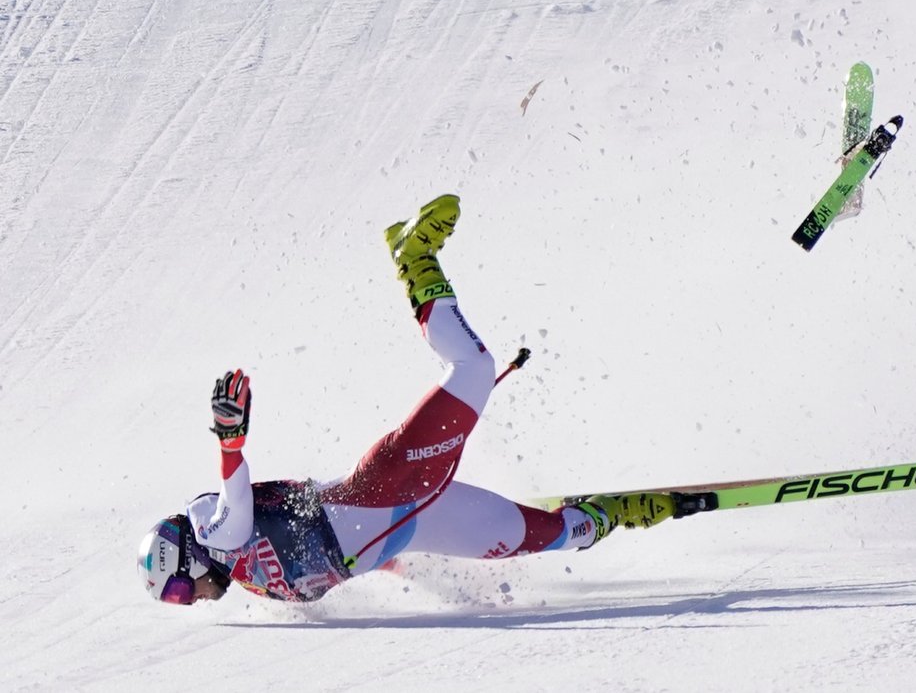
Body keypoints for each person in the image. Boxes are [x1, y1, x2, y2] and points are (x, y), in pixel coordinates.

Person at [137, 195, 679, 605]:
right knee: (551, 536)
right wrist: (414, 573)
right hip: (417, 523)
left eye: (181, 591)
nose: (191, 601)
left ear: (186, 555)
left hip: (390, 485)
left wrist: (230, 442)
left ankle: (415, 261)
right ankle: (612, 514)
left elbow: (234, 507)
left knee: (475, 368)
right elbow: (332, 563)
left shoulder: (214, 529)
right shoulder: (249, 581)